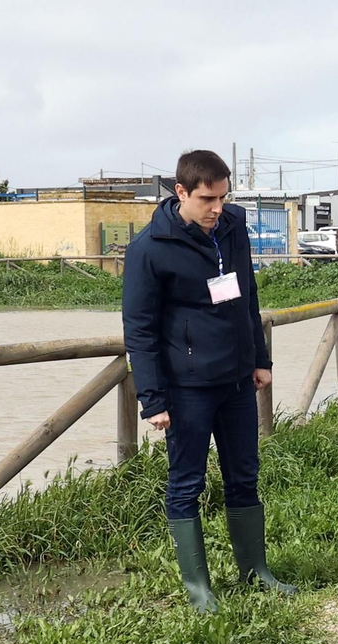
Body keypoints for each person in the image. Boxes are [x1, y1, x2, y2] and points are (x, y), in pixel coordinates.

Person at [122, 150, 295, 613]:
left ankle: (255, 572)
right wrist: (153, 398)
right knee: (186, 483)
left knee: (245, 476)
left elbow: (247, 293)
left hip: (238, 381)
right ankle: (200, 591)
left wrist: (259, 358)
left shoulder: (233, 227)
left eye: (223, 196)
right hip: (187, 388)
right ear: (180, 192)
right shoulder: (148, 248)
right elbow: (139, 330)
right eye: (207, 199)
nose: (217, 208)